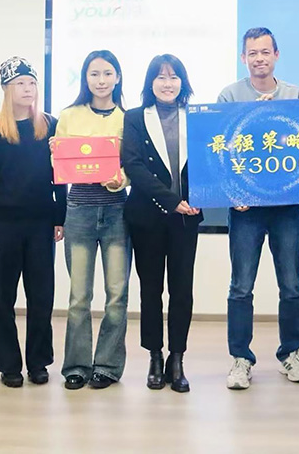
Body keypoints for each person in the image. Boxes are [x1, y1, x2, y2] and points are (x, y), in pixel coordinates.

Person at [219, 27, 299, 390]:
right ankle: (241, 358)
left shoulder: (295, 95)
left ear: (276, 55)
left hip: (286, 206)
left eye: (265, 52)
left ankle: (291, 353)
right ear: (244, 58)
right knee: (241, 286)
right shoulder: (230, 96)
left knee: (291, 284)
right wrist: (232, 193)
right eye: (252, 53)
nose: (259, 58)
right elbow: (219, 151)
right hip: (246, 208)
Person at [0, 56, 67, 388]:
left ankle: (38, 362)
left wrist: (60, 217)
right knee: (2, 298)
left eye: (32, 83)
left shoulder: (50, 125)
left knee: (41, 296)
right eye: (20, 84)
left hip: (41, 224)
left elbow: (60, 176)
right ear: (6, 89)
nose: (27, 89)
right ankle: (8, 364)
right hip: (3, 227)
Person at [121, 54, 202, 393]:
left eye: (174, 77)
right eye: (161, 77)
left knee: (182, 290)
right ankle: (155, 357)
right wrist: (171, 200)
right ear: (150, 83)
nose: (168, 83)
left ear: (183, 82)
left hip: (188, 218)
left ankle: (177, 358)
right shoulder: (134, 117)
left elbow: (209, 162)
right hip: (147, 217)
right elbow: (133, 166)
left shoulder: (197, 117)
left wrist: (201, 196)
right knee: (151, 290)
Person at [55, 50, 130, 391]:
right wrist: (56, 153)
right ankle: (76, 366)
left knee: (116, 295)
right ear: (85, 78)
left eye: (107, 73)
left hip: (116, 211)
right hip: (80, 211)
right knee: (79, 297)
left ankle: (108, 366)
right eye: (94, 74)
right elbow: (59, 164)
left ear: (118, 77)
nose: (101, 80)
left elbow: (132, 164)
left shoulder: (128, 118)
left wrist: (121, 180)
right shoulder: (68, 115)